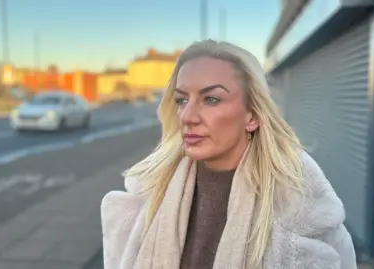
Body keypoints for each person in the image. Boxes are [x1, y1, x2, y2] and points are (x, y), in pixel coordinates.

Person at [101, 40, 357, 269]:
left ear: (253, 116)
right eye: (181, 100)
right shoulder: (147, 195)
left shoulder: (303, 211)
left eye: (211, 99)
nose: (188, 117)